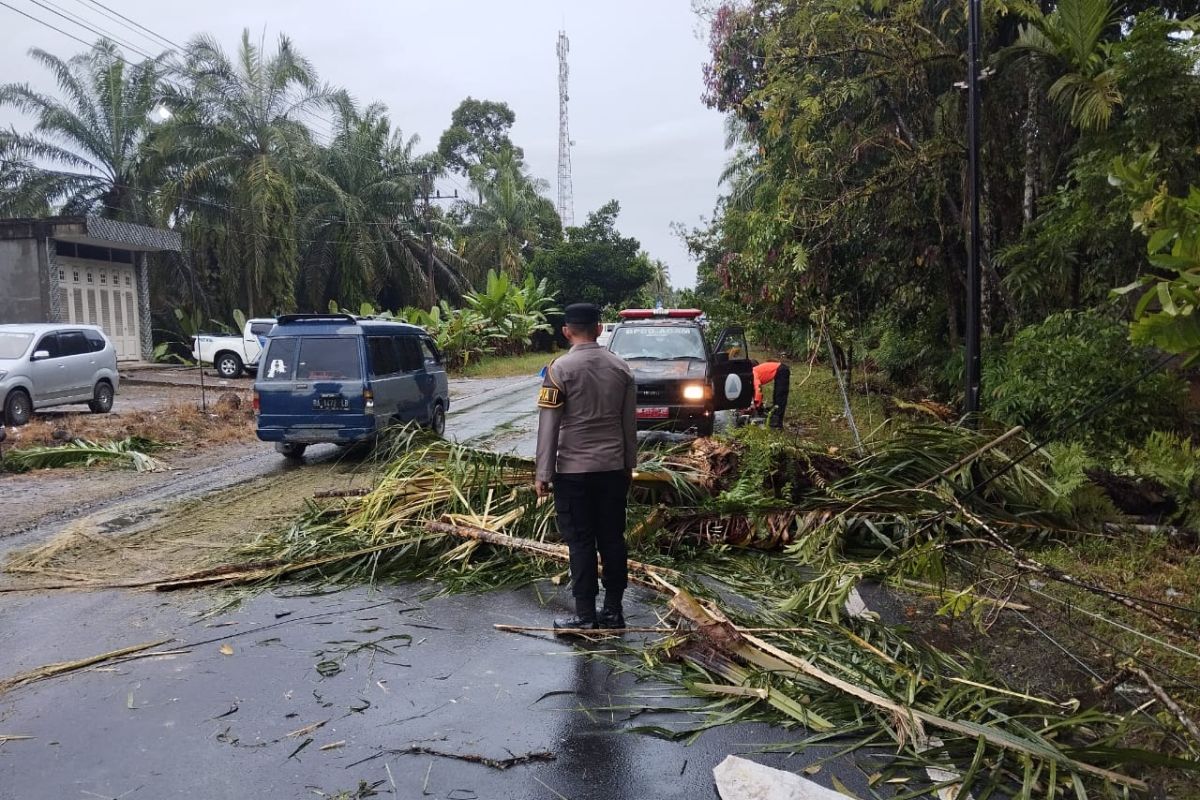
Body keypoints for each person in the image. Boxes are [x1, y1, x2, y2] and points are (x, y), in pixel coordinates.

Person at [535, 303, 638, 632]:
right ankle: (613, 612)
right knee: (612, 539)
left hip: (573, 472)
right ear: (599, 328)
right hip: (612, 470)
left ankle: (585, 616)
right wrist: (628, 467)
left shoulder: (558, 370)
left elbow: (548, 426)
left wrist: (543, 474)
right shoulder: (622, 368)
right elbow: (629, 427)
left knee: (580, 542)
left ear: (566, 331)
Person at [752, 360, 790, 429]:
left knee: (780, 398)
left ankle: (778, 425)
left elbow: (758, 390)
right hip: (780, 371)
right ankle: (775, 420)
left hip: (782, 370)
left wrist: (757, 405)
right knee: (776, 397)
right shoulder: (753, 372)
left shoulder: (753, 373)